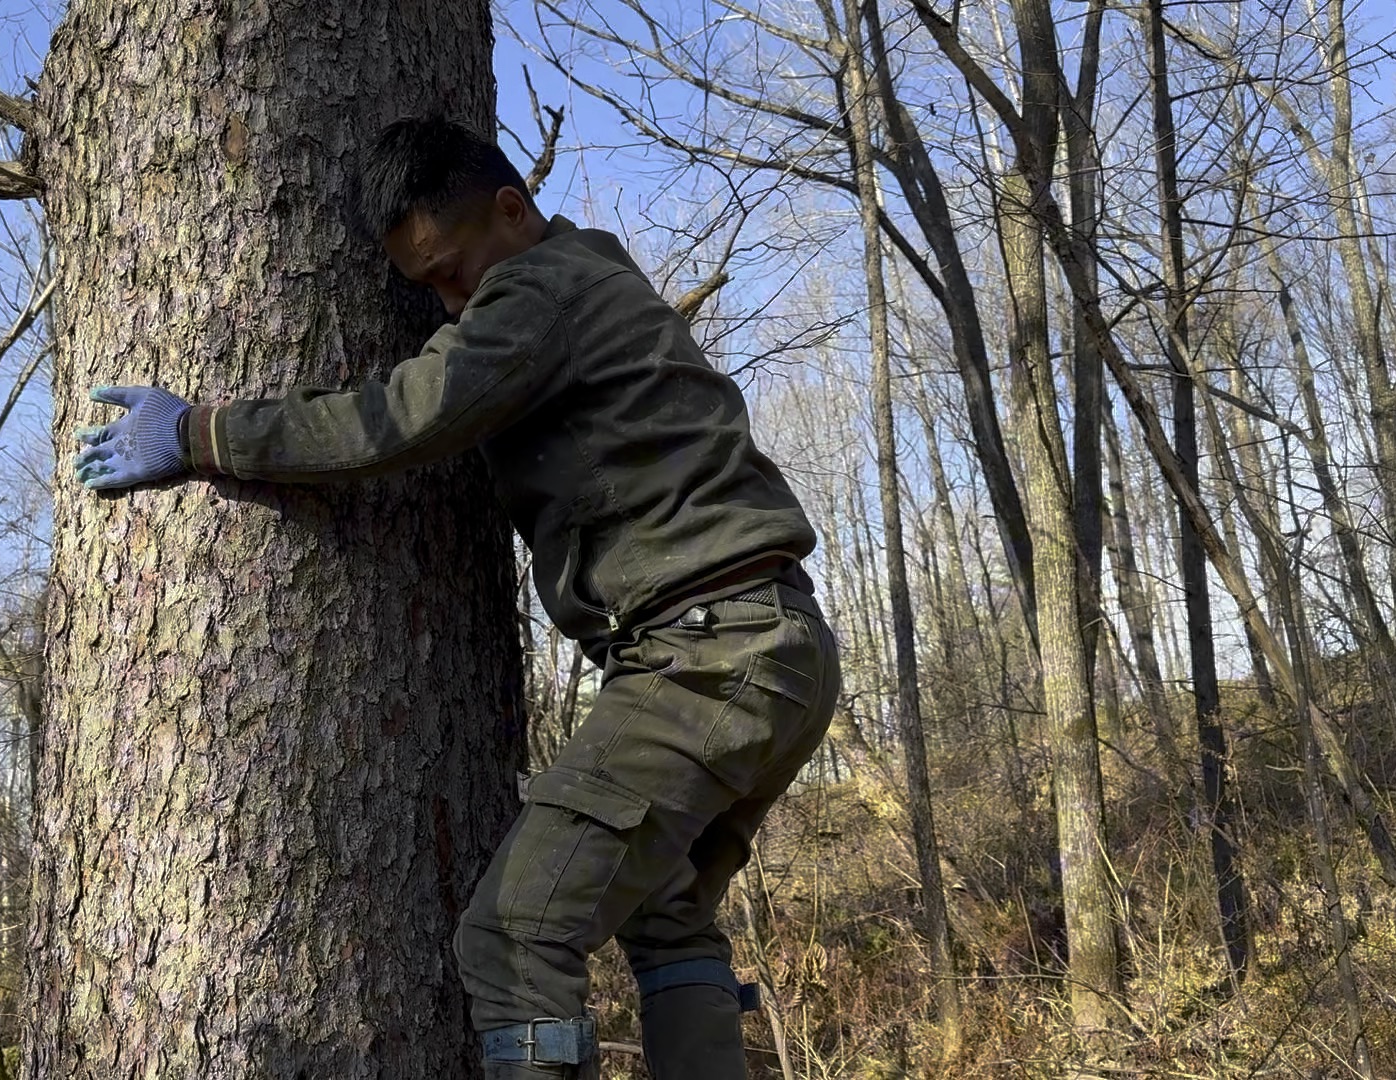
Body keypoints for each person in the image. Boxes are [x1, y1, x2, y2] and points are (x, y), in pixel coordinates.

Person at [72, 115, 840, 1080]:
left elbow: (403, 415)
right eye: (423, 284)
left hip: (704, 651)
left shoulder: (537, 290)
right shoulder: (598, 282)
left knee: (515, 940)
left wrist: (202, 435)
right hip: (776, 650)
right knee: (669, 914)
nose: (444, 301)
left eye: (446, 268)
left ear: (512, 211)